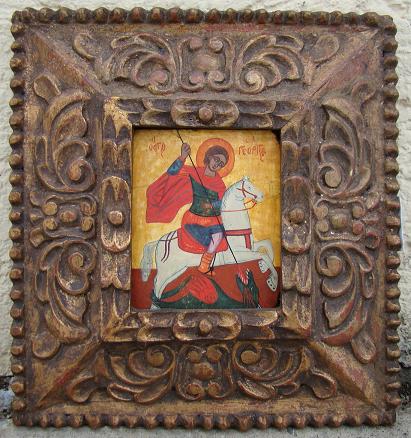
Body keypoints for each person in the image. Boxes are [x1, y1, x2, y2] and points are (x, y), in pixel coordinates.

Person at [146, 141, 229, 275]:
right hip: (194, 219)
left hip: (213, 220)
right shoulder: (194, 172)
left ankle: (204, 265)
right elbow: (172, 173)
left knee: (220, 235)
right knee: (217, 235)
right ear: (209, 157)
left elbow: (222, 203)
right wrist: (183, 157)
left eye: (221, 164)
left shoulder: (219, 183)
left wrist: (212, 205)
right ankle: (204, 266)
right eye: (216, 159)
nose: (217, 164)